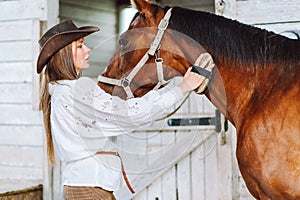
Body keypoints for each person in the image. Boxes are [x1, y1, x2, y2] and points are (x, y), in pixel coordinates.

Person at [37, 20, 205, 200]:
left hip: (85, 185)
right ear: (63, 55)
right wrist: (182, 87)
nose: (88, 50)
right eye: (80, 46)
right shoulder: (77, 89)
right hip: (92, 187)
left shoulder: (60, 91)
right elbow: (131, 113)